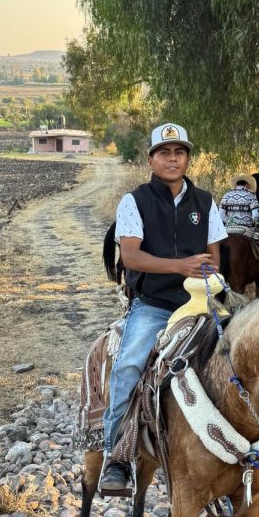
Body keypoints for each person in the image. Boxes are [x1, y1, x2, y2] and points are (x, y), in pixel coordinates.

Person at [100, 123, 227, 495]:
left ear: (187, 158)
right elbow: (132, 256)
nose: (173, 159)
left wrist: (201, 271)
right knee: (127, 367)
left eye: (180, 152)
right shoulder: (134, 201)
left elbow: (214, 259)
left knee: (246, 355)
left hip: (200, 303)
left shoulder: (205, 202)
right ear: (151, 159)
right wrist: (181, 265)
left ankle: (248, 450)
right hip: (154, 305)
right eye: (165, 153)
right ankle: (118, 456)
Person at [218, 174, 259, 280]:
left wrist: (230, 222)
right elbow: (255, 215)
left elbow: (220, 215)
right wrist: (253, 223)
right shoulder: (251, 195)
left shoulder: (227, 195)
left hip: (228, 229)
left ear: (236, 185)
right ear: (247, 184)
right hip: (246, 229)